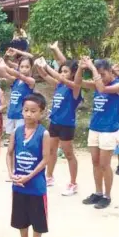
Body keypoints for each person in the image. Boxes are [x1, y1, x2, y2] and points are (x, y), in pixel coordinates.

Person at [6, 93, 50, 237]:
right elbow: (9, 153)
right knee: (20, 216)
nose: (29, 114)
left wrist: (29, 176)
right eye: (26, 110)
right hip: (18, 184)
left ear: (41, 113)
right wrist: (11, 173)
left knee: (37, 217)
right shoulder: (16, 131)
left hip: (35, 185)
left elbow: (46, 159)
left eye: (33, 111)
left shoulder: (43, 134)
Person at [75, 57, 119, 209]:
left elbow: (101, 89)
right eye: (98, 74)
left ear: (110, 71)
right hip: (95, 128)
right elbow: (78, 83)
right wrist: (81, 68)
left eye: (103, 74)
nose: (100, 77)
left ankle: (107, 195)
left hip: (109, 130)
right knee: (95, 162)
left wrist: (93, 69)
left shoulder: (116, 85)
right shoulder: (98, 83)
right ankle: (98, 193)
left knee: (105, 164)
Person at [35, 55, 82, 195]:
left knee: (68, 154)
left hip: (67, 125)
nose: (62, 74)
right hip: (54, 122)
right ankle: (49, 177)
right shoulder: (59, 85)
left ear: (73, 74)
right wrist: (39, 64)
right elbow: (44, 75)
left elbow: (57, 77)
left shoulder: (75, 87)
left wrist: (47, 65)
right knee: (51, 151)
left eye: (66, 71)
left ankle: (73, 183)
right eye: (61, 71)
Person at [0, 56, 35, 136]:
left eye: (27, 67)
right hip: (11, 113)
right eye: (22, 67)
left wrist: (5, 66)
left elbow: (19, 75)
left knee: (20, 137)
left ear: (31, 68)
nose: (24, 69)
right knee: (11, 137)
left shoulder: (31, 81)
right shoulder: (15, 80)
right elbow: (4, 74)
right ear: (18, 67)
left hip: (21, 115)